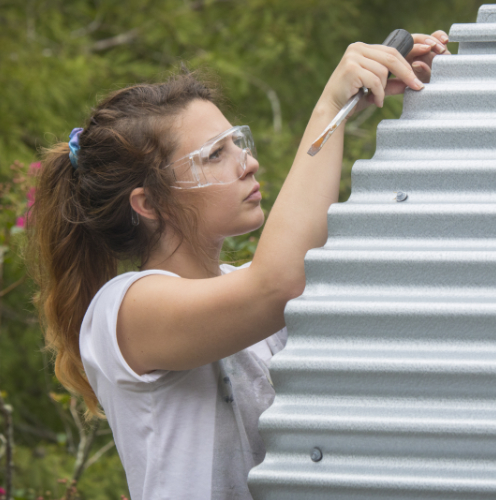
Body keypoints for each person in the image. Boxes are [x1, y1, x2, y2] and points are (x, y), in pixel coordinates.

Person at [27, 30, 450, 500]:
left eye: (237, 143)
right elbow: (277, 285)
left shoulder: (247, 294)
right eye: (214, 155)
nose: (247, 163)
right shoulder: (125, 309)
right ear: (148, 204)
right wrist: (330, 108)